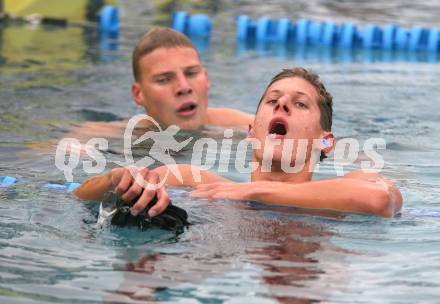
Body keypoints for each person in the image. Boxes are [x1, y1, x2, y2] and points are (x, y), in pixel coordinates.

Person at [74, 67, 403, 218]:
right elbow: (81, 195)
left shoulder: (350, 185)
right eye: (273, 101)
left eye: (300, 104)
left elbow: (379, 200)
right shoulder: (196, 180)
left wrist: (250, 191)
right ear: (251, 130)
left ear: (325, 142)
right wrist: (118, 179)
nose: (282, 105)